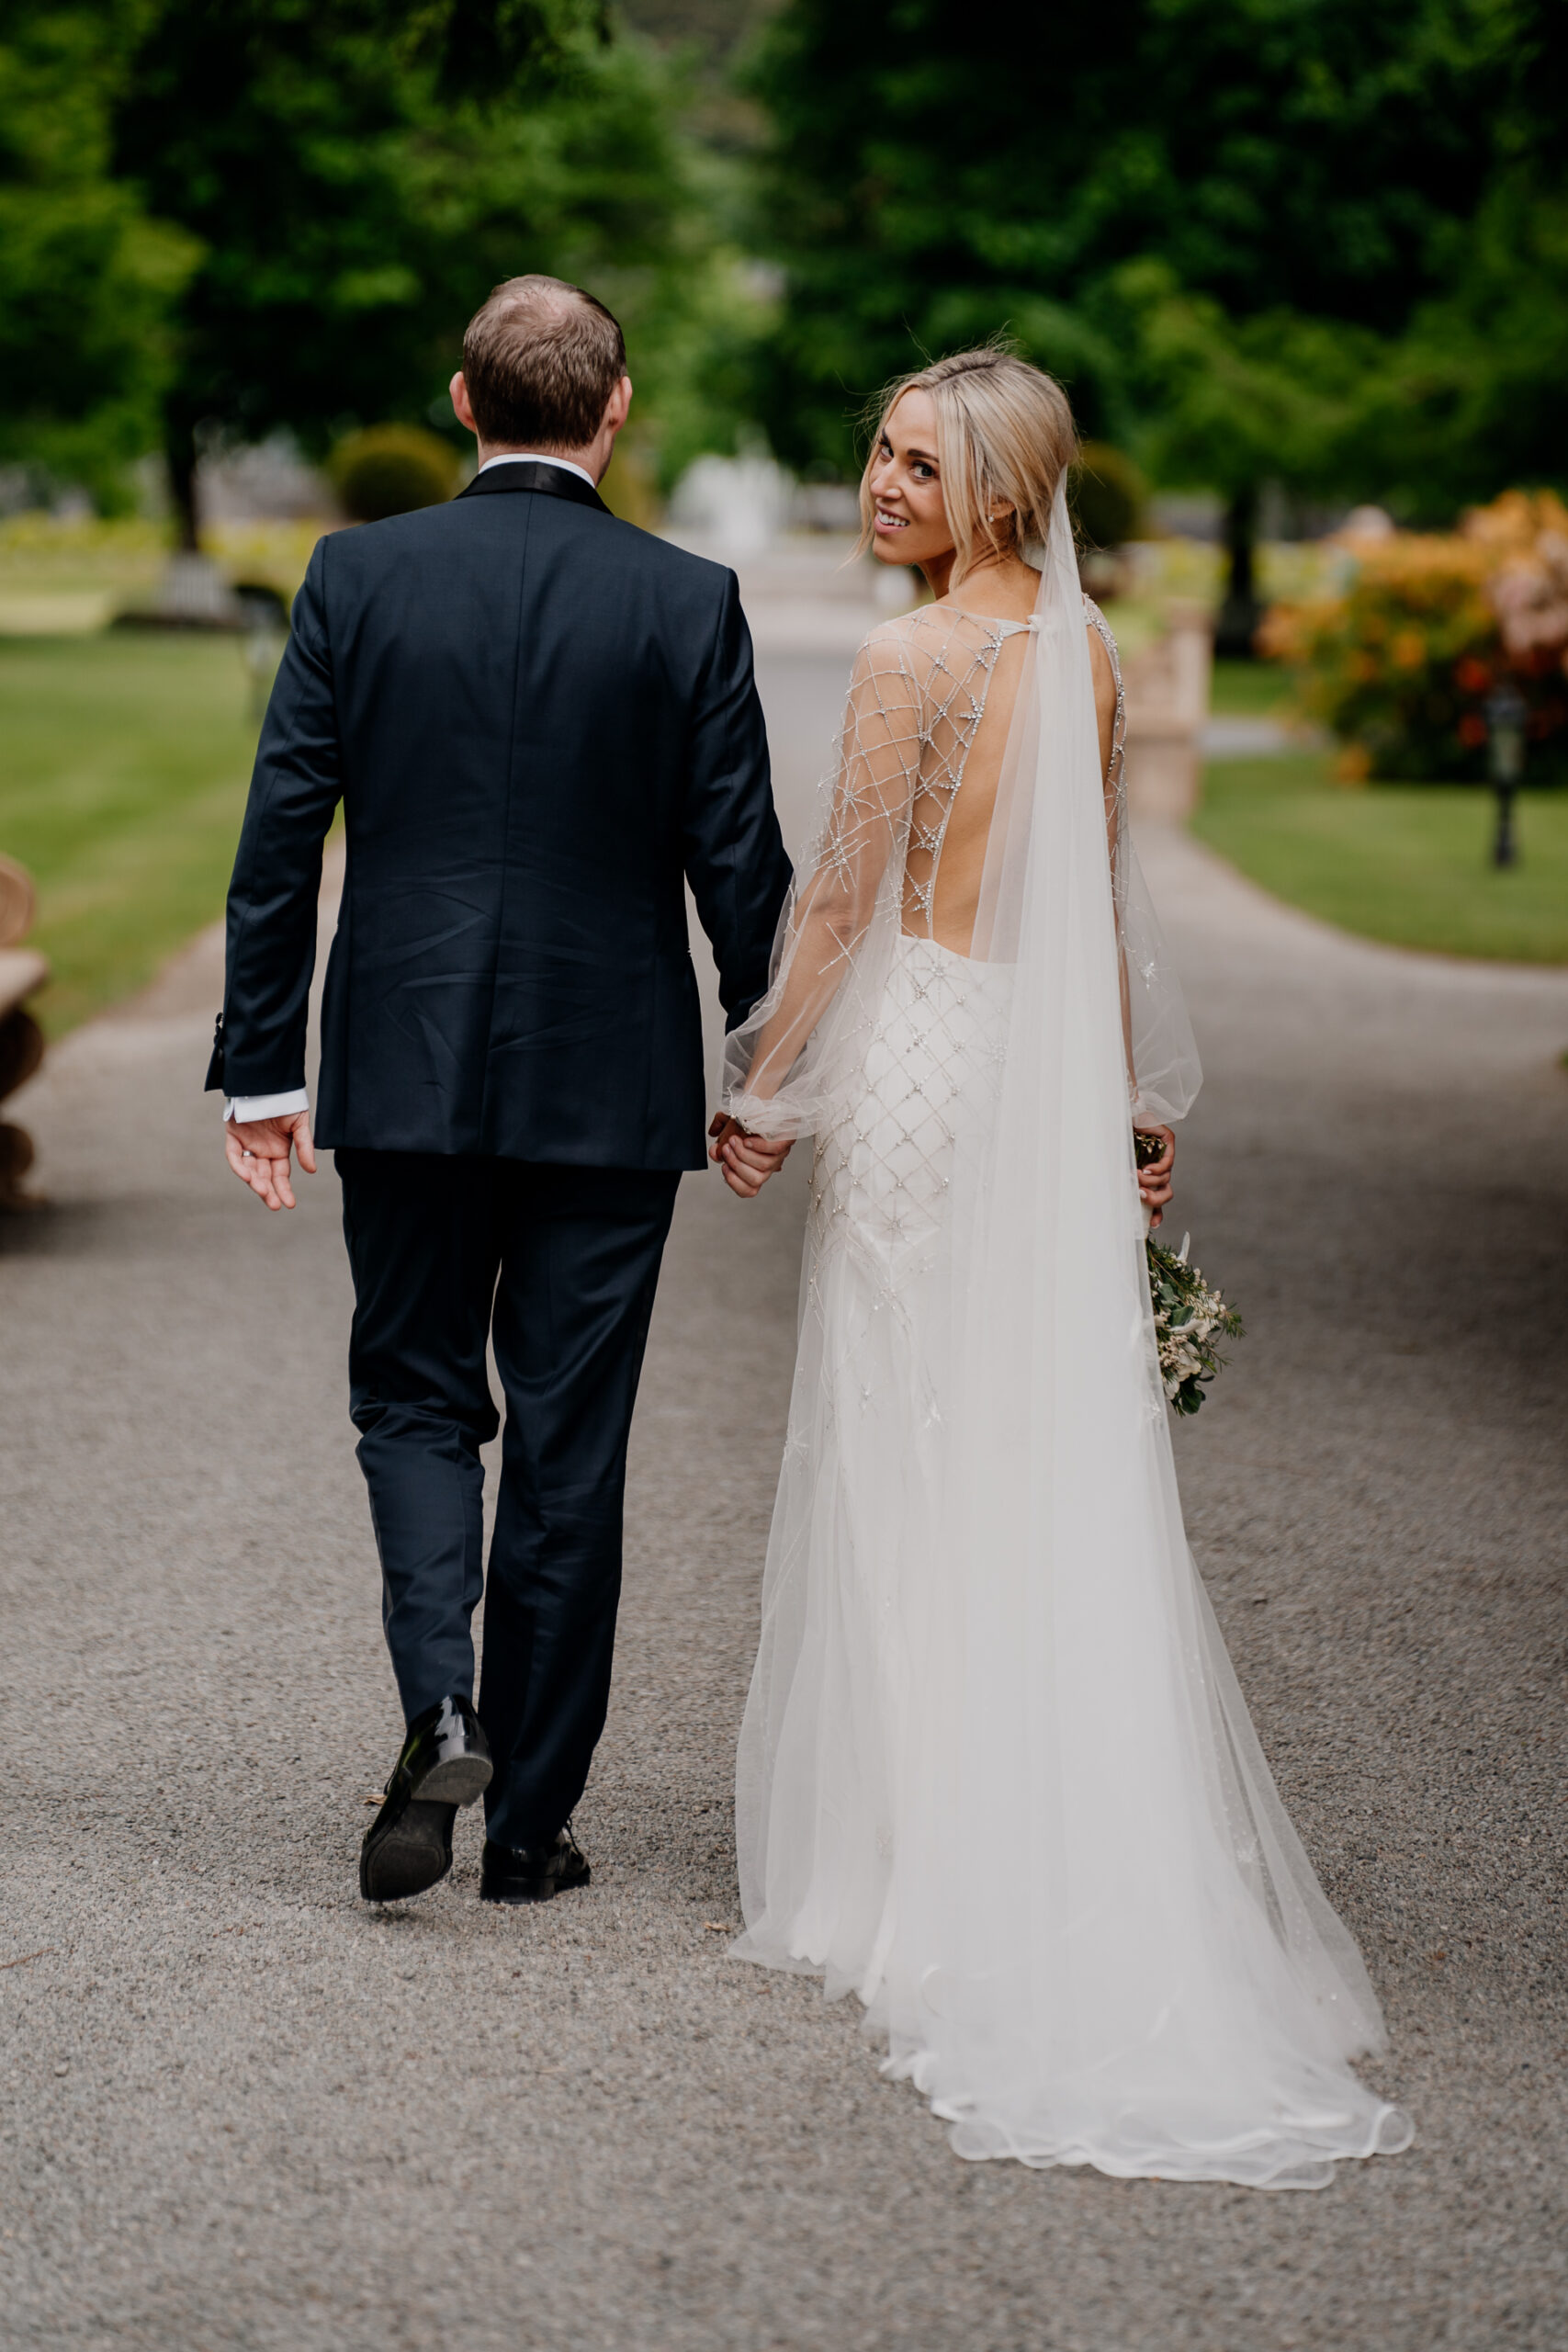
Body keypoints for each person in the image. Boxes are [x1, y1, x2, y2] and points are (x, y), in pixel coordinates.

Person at [716, 350, 1413, 2190]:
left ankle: (911, 1860)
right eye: (875, 450)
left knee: (901, 1438)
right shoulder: (1079, 654)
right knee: (1011, 1436)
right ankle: (1018, 1810)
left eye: (916, 465)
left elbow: (840, 901)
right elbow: (1092, 896)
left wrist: (763, 1088)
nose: (879, 483)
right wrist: (1114, 1107)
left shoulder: (907, 661)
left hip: (936, 1061)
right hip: (1033, 1070)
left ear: (999, 494)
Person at [209, 276, 791, 1907]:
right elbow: (740, 867)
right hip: (611, 1083)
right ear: (616, 412)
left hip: (396, 1059)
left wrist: (266, 1064)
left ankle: (438, 1706)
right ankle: (528, 1830)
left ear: (464, 404)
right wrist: (772, 1066)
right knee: (569, 1442)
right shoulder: (688, 601)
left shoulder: (359, 573)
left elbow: (277, 843)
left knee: (410, 1399)